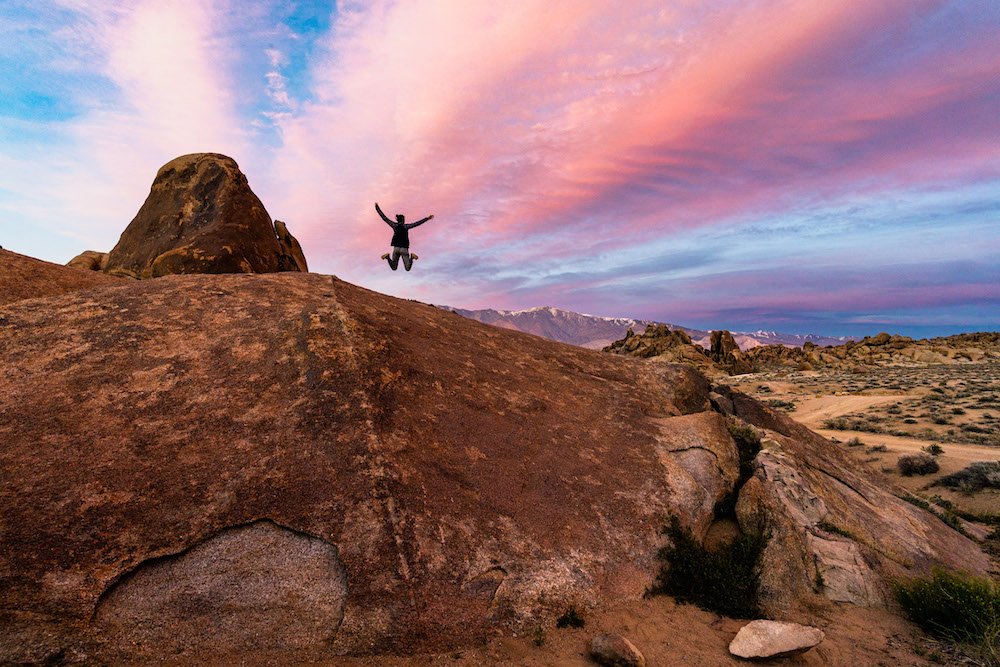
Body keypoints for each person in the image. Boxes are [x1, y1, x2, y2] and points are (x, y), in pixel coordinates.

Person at [376, 203, 433, 271]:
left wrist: (377, 208)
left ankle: (387, 257)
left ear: (397, 220)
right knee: (407, 268)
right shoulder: (406, 226)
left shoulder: (394, 225)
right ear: (403, 220)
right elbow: (417, 223)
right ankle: (411, 257)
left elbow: (384, 218)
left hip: (396, 248)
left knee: (394, 267)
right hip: (404, 249)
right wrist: (427, 218)